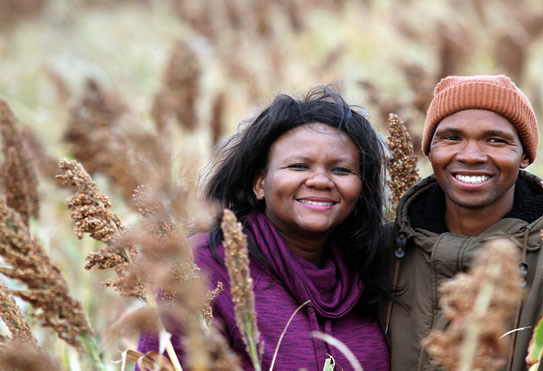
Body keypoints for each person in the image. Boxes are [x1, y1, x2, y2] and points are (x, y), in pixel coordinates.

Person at [138, 86, 391, 370]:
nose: (320, 181)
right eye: (298, 166)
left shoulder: (373, 269)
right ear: (260, 183)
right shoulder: (201, 266)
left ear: (360, 189)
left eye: (341, 170)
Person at [377, 75, 543, 370]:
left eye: (495, 140)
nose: (471, 155)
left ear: (525, 156)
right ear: (429, 150)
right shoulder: (381, 251)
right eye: (451, 138)